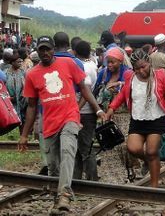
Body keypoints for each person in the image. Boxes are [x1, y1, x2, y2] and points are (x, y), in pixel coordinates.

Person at [18, 36, 103, 212]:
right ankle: (58, 199)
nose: (45, 53)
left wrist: (98, 110)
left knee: (68, 151)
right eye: (41, 50)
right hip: (49, 124)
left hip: (70, 117)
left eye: (48, 49)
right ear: (38, 51)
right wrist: (24, 135)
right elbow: (32, 107)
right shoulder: (32, 74)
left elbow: (85, 89)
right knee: (53, 166)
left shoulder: (68, 64)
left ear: (53, 49)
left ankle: (64, 195)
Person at [103, 48, 165, 187]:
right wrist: (111, 109)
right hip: (138, 119)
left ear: (149, 63)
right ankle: (150, 161)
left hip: (157, 119)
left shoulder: (160, 75)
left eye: (143, 67)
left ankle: (154, 187)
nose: (141, 71)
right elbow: (121, 95)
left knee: (151, 151)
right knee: (133, 148)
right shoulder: (130, 77)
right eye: (137, 69)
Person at [73, 40, 99, 181]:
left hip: (83, 112)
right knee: (81, 148)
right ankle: (77, 178)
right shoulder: (93, 65)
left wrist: (76, 109)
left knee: (85, 148)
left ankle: (92, 179)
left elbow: (85, 91)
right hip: (88, 112)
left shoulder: (82, 67)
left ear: (75, 52)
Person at [5, 54, 27, 133]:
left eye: (21, 61)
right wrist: (9, 98)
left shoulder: (22, 72)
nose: (20, 63)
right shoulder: (6, 73)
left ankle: (22, 134)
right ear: (12, 62)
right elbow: (3, 87)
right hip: (10, 101)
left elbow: (26, 85)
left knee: (22, 118)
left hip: (21, 100)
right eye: (18, 62)